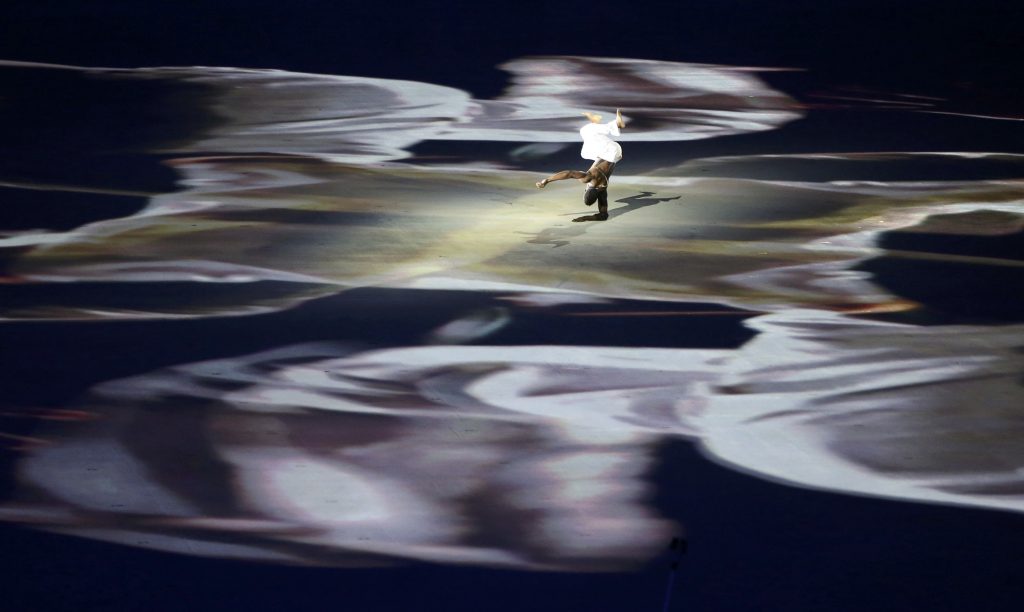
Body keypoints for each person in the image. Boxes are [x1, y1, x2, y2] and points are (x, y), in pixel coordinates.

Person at [536, 109, 626, 222]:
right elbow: (569, 173)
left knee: (586, 150)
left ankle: (595, 122)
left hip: (615, 155)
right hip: (610, 152)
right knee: (586, 131)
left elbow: (603, 215)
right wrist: (547, 181)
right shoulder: (588, 178)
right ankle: (616, 124)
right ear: (586, 190)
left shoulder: (603, 189)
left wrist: (585, 218)